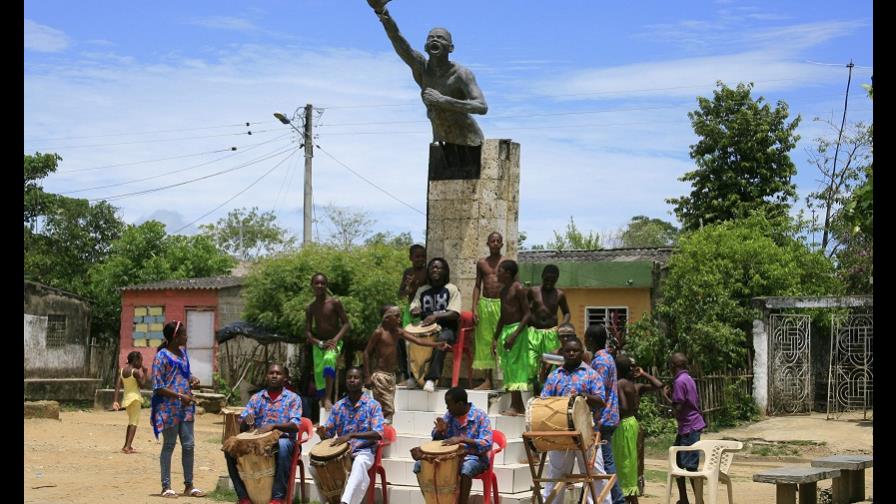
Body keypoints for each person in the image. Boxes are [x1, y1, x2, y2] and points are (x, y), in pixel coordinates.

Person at [366, 0, 488, 147]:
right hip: (440, 143)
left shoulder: (462, 74)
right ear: (426, 46)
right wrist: (382, 12)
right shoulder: (421, 68)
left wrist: (443, 101)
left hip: (469, 143)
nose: (435, 39)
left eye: (441, 38)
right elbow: (398, 39)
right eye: (431, 38)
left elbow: (481, 106)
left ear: (451, 48)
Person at [539, 337, 611, 504]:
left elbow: (601, 401)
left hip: (585, 432)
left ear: (582, 352)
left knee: (595, 473)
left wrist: (585, 397)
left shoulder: (591, 375)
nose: (571, 353)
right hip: (560, 433)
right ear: (562, 353)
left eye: (575, 350)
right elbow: (544, 401)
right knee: (556, 475)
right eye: (568, 350)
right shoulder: (554, 376)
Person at [226, 363, 303, 504]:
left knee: (284, 445)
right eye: (271, 373)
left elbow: (295, 425)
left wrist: (274, 426)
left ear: (285, 377)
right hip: (259, 442)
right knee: (229, 448)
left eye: (278, 373)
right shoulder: (257, 398)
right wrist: (245, 421)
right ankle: (243, 497)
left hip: (283, 440)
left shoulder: (293, 398)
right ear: (266, 376)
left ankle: (277, 498)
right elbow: (243, 423)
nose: (274, 375)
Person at [363, 304, 450, 423]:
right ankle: (380, 434)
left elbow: (418, 340)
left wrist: (437, 344)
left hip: (391, 376)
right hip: (380, 376)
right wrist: (367, 376)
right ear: (387, 318)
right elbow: (367, 353)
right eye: (397, 316)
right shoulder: (379, 332)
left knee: (385, 411)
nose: (400, 319)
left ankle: (380, 434)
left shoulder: (398, 332)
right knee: (388, 410)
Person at [151, 320, 205, 498]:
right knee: (169, 445)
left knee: (189, 446)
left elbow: (185, 374)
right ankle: (166, 486)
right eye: (183, 334)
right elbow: (158, 386)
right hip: (168, 408)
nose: (186, 336)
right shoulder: (161, 357)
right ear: (175, 337)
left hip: (185, 408)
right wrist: (181, 396)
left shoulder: (183, 354)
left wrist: (193, 379)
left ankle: (189, 486)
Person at [411, 387, 493, 504]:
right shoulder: (450, 415)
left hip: (475, 458)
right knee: (419, 465)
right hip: (450, 457)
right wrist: (440, 431)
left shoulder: (480, 416)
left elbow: (487, 443)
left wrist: (462, 439)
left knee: (466, 469)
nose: (447, 408)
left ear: (460, 404)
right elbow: (438, 439)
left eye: (449, 405)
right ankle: (431, 501)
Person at [315, 367, 385, 504]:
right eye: (349, 378)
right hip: (341, 452)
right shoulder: (338, 406)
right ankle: (329, 501)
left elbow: (378, 433)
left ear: (362, 381)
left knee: (359, 463)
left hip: (364, 451)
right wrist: (322, 433)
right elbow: (328, 435)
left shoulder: (373, 405)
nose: (352, 380)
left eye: (356, 377)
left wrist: (352, 435)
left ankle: (345, 502)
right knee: (314, 466)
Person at [408, 258, 462, 392]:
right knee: (403, 338)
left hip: (446, 329)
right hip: (425, 329)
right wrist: (415, 311)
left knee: (441, 341)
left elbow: (455, 313)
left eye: (438, 268)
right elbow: (414, 308)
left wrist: (435, 316)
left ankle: (431, 379)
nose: (435, 270)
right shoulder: (423, 290)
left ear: (445, 271)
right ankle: (411, 376)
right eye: (432, 267)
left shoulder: (451, 289)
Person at [614, 356, 663, 504]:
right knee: (633, 461)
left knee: (624, 462)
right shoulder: (636, 387)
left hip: (623, 425)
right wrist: (644, 374)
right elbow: (658, 385)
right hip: (634, 424)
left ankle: (627, 493)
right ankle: (632, 493)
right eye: (633, 367)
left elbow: (623, 407)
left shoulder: (620, 384)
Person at [586, 325, 624, 504]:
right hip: (609, 416)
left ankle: (618, 500)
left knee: (607, 463)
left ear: (591, 340)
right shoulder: (606, 358)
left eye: (586, 337)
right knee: (603, 462)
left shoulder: (600, 362)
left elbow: (598, 393)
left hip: (603, 419)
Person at [663, 353, 706, 504]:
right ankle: (684, 499)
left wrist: (666, 398)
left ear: (673, 366)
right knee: (677, 463)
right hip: (688, 428)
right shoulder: (688, 378)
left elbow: (678, 408)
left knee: (690, 468)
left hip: (689, 428)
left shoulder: (680, 381)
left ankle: (699, 501)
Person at [305, 273, 351, 410]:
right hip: (319, 344)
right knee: (319, 373)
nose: (320, 286)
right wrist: (318, 342)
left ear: (326, 285)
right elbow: (307, 331)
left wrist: (335, 340)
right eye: (317, 283)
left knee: (329, 362)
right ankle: (322, 399)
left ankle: (328, 399)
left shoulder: (334, 303)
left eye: (322, 283)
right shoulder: (311, 307)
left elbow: (347, 324)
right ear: (312, 285)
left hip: (334, 342)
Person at [493, 259, 531, 415]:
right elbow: (502, 316)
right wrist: (495, 338)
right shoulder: (503, 291)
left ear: (507, 273)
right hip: (506, 331)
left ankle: (516, 406)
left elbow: (528, 314)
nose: (497, 274)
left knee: (516, 368)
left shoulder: (519, 288)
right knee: (508, 368)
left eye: (499, 271)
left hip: (517, 331)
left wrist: (514, 335)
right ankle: (517, 404)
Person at [471, 231, 505, 390]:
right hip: (484, 305)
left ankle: (505, 379)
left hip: (501, 304)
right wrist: (474, 308)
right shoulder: (482, 263)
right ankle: (487, 380)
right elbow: (478, 285)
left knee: (502, 341)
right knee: (485, 341)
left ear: (502, 244)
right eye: (493, 241)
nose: (496, 243)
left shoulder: (507, 263)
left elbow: (515, 285)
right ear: (488, 243)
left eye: (498, 241)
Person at [528, 264, 571, 389]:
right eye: (547, 279)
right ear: (542, 277)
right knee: (531, 363)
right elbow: (524, 309)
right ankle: (532, 391)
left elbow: (567, 312)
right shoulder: (533, 291)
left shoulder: (560, 294)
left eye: (552, 280)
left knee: (551, 363)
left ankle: (547, 391)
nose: (549, 283)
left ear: (556, 279)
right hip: (533, 333)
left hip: (551, 333)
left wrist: (563, 326)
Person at [397, 244, 428, 386]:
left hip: (423, 312)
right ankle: (408, 376)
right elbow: (401, 294)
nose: (420, 259)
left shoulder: (428, 272)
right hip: (409, 312)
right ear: (410, 258)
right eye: (417, 256)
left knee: (421, 347)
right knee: (406, 345)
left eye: (423, 256)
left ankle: (421, 376)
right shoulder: (408, 272)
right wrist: (408, 286)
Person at [112, 350, 148, 454]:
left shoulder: (122, 371)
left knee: (130, 422)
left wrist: (115, 401)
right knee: (134, 423)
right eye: (141, 360)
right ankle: (127, 447)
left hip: (127, 399)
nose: (141, 363)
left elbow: (118, 385)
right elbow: (143, 385)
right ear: (136, 360)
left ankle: (126, 445)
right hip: (135, 399)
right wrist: (145, 373)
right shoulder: (135, 372)